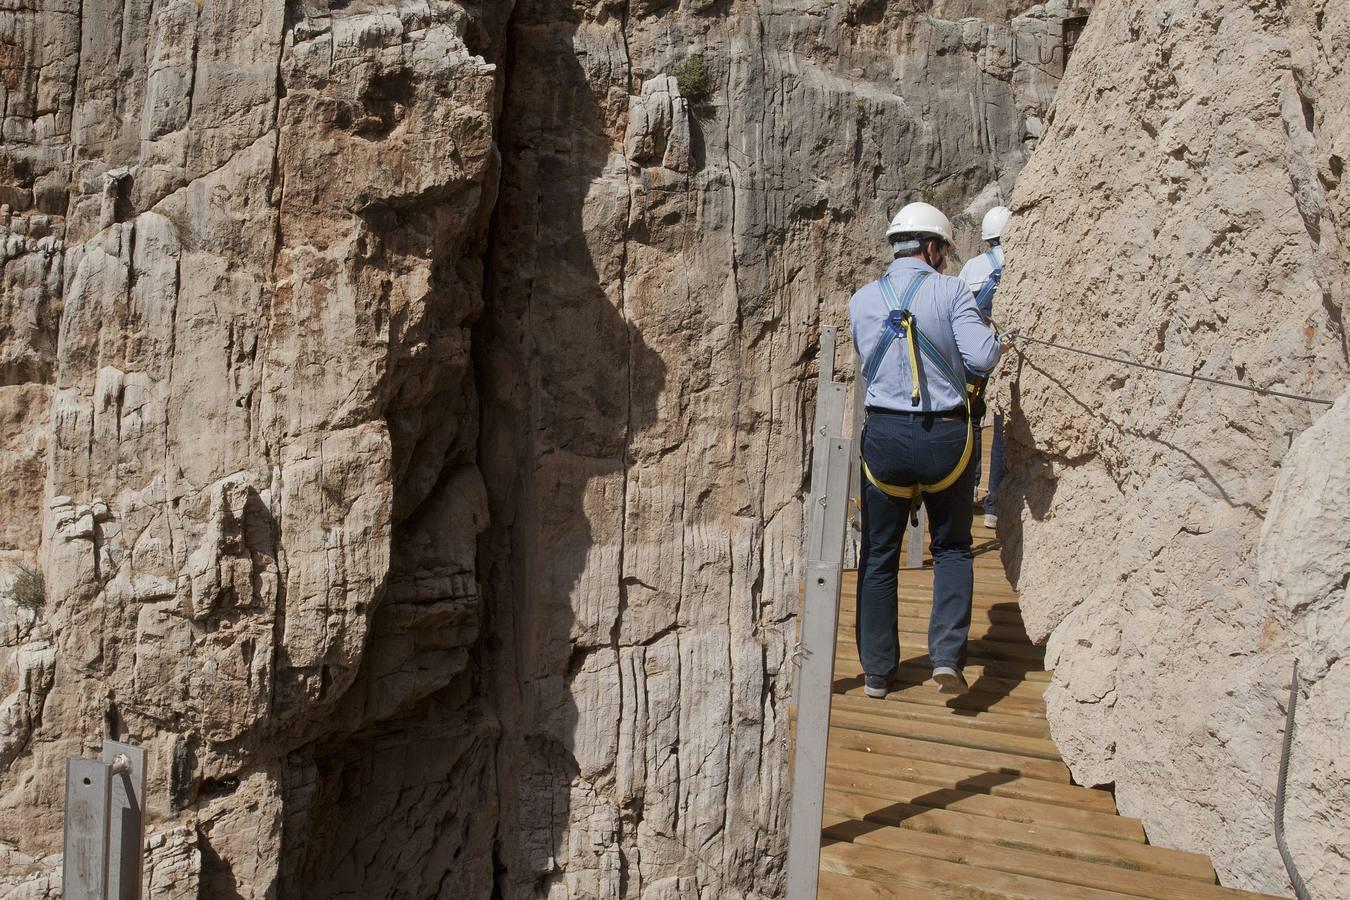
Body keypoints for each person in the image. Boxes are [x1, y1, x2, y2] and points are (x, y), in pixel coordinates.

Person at [849, 202, 1003, 698]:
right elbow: (981, 357)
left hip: (885, 438)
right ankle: (945, 657)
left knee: (878, 555)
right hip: (944, 438)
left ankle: (876, 672)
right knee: (954, 546)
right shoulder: (952, 290)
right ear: (933, 248)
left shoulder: (863, 299)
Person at [959, 206, 1010, 528]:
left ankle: (967, 493)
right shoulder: (1019, 262)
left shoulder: (973, 266)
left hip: (976, 353)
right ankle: (994, 503)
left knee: (972, 418)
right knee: (1003, 424)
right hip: (1007, 351)